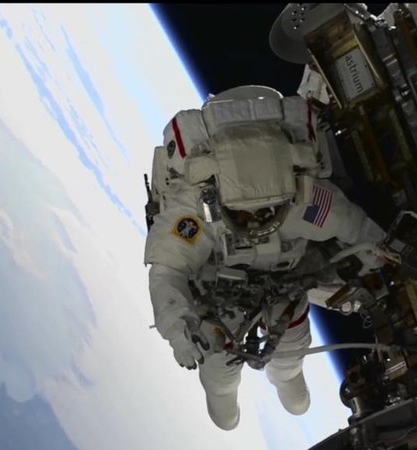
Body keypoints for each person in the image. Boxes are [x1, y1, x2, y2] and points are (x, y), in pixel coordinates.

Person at [143, 85, 386, 431]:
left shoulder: (304, 199)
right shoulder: (196, 211)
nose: (254, 221)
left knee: (290, 346)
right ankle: (223, 395)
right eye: (242, 214)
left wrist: (381, 254)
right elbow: (167, 271)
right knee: (218, 359)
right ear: (216, 197)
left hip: (286, 282)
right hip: (218, 295)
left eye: (265, 211)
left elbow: (358, 230)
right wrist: (176, 328)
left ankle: (287, 376)